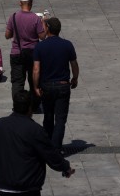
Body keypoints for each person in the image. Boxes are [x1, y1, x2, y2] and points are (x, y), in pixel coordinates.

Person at [0, 90, 75, 195]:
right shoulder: (35, 130)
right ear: (30, 107)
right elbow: (51, 155)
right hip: (28, 187)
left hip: (4, 187)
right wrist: (66, 168)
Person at [33, 17, 79, 150]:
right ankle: (56, 148)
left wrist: (35, 86)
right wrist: (75, 78)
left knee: (48, 117)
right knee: (60, 120)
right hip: (63, 85)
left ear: (47, 28)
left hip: (46, 86)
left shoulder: (40, 46)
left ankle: (48, 147)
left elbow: (36, 69)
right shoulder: (67, 45)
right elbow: (74, 65)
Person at [5, 0, 45, 110]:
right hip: (33, 54)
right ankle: (35, 105)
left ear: (20, 3)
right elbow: (42, 37)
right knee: (34, 81)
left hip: (17, 53)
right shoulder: (35, 19)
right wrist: (43, 23)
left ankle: (18, 105)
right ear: (31, 4)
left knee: (17, 82)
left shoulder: (13, 17)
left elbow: (7, 35)